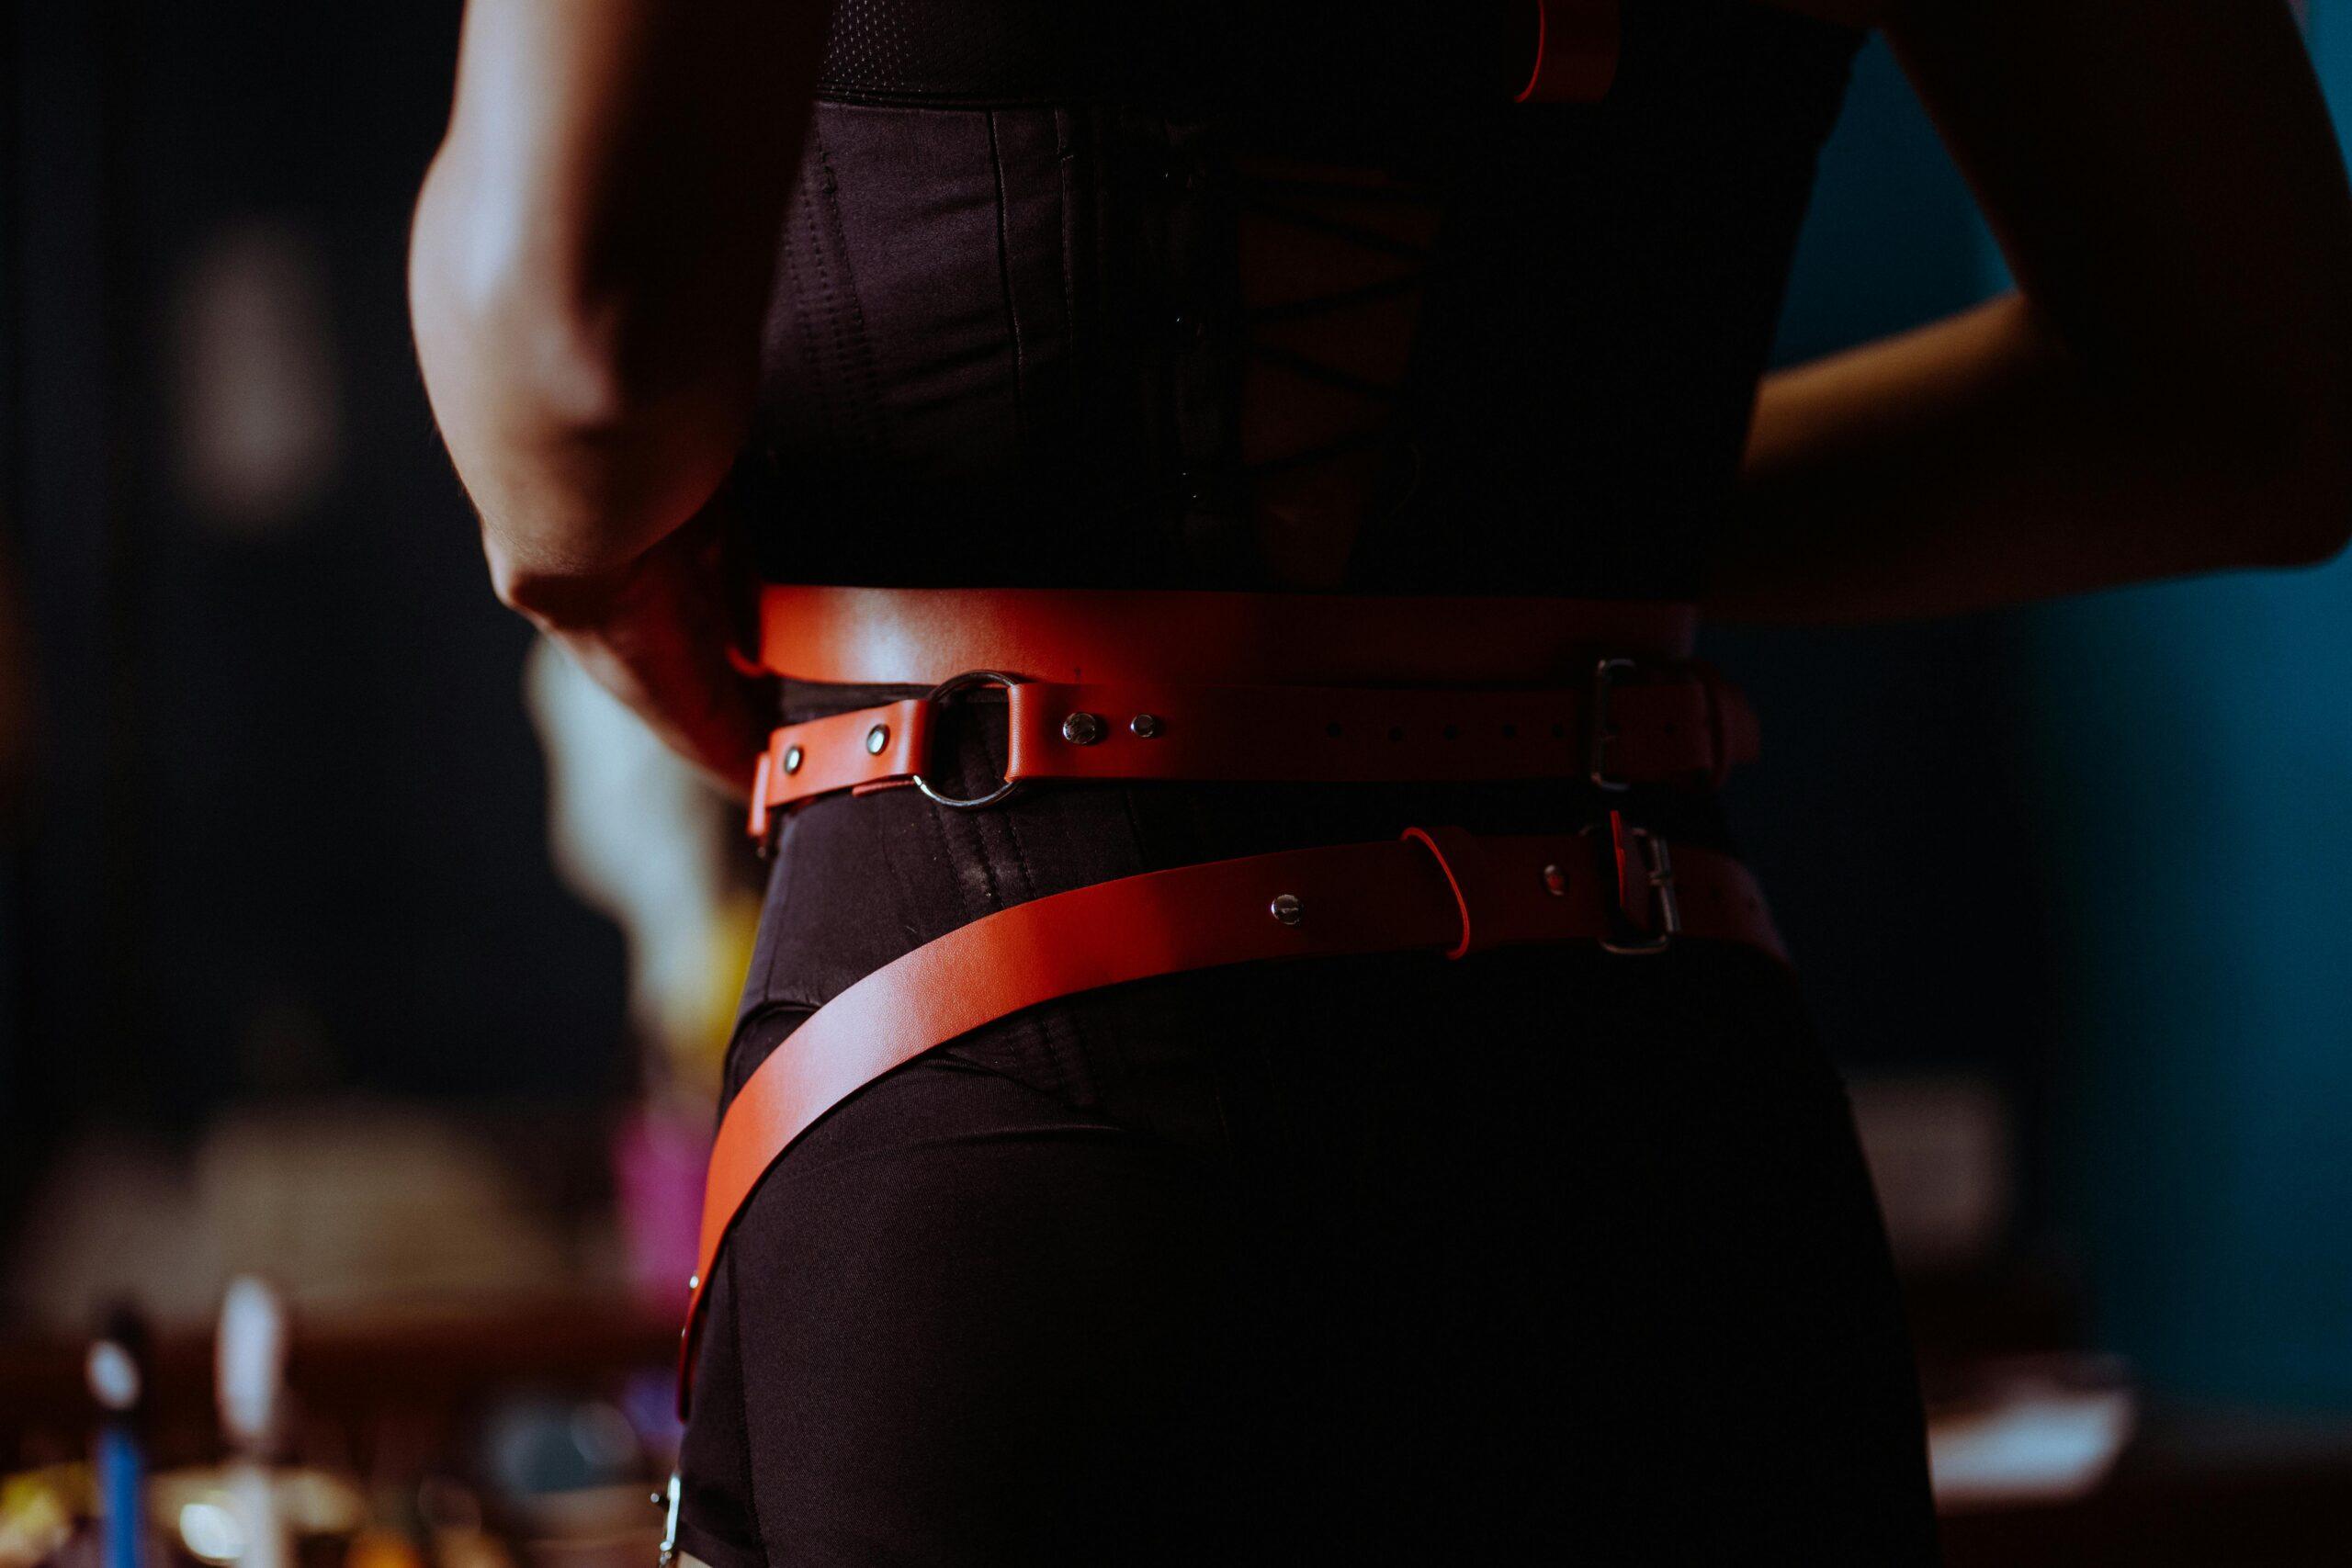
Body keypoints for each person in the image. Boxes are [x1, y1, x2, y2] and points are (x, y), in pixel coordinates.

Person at [409, 2, 2352, 1562]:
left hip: (1026, 1129)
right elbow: (2251, 410)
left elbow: (576, 342)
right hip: (1662, 1149)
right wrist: (1516, 569)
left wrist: (601, 576)